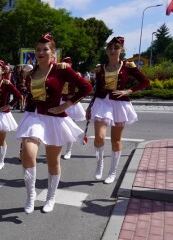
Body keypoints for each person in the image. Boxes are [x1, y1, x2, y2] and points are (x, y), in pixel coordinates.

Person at [15, 33, 92, 214]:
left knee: (53, 161)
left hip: (53, 118)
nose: (41, 52)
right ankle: (30, 195)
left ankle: (50, 197)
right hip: (34, 116)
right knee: (27, 151)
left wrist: (66, 105)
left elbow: (86, 87)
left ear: (53, 52)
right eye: (38, 50)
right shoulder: (32, 72)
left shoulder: (61, 69)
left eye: (45, 49)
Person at [86, 36, 149, 184]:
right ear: (106, 50)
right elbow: (97, 89)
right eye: (110, 48)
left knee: (116, 140)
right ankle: (100, 164)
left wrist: (129, 91)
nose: (112, 50)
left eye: (116, 48)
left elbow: (145, 82)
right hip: (102, 103)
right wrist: (90, 106)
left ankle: (112, 172)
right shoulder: (100, 68)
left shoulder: (128, 66)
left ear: (122, 50)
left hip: (119, 105)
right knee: (99, 138)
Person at [59, 57, 87, 160]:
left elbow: (85, 88)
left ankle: (68, 151)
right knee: (60, 128)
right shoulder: (58, 75)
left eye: (68, 64)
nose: (66, 65)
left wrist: (75, 97)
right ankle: (58, 150)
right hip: (60, 102)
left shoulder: (75, 75)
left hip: (71, 104)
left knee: (70, 128)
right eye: (64, 63)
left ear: (71, 65)